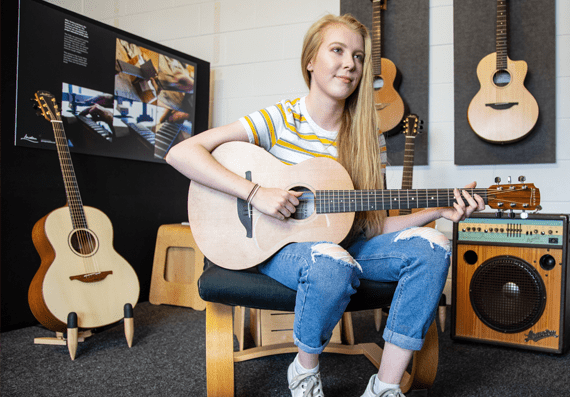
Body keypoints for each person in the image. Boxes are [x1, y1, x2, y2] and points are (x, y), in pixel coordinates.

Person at [166, 13, 485, 397]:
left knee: (433, 247)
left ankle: (385, 387)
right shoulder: (281, 119)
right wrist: (256, 194)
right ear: (311, 61)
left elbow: (372, 227)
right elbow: (182, 153)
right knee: (331, 260)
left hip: (348, 248)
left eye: (359, 56)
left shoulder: (370, 139)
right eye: (338, 50)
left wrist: (437, 212)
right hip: (279, 247)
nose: (350, 63)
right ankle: (304, 372)